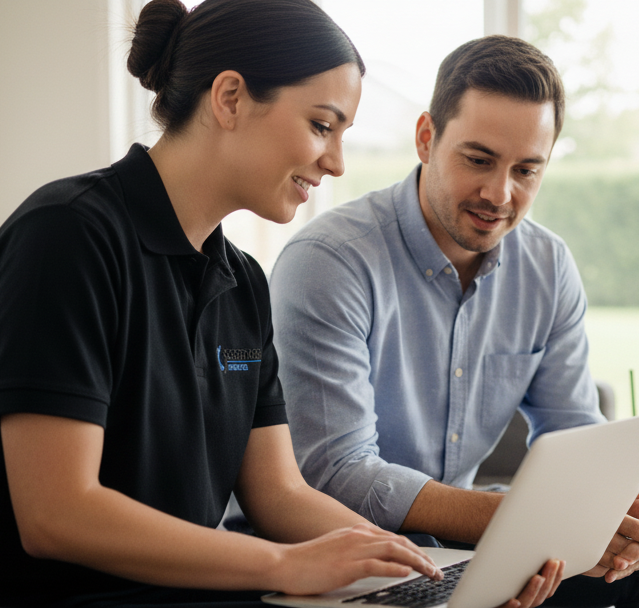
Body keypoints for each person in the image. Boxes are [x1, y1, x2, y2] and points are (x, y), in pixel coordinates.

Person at [0, 1, 459, 606]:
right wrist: (283, 565)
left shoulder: (243, 283)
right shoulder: (68, 235)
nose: (337, 162)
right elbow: (57, 513)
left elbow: (279, 495)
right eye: (323, 125)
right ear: (230, 98)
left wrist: (421, 568)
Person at [268, 35, 639, 607]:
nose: (500, 193)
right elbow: (337, 472)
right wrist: (510, 519)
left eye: (527, 170)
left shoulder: (546, 265)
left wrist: (610, 510)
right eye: (479, 160)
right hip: (348, 545)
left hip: (475, 542)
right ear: (427, 138)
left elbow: (574, 433)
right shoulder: (330, 262)